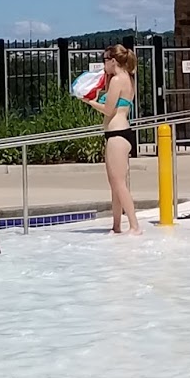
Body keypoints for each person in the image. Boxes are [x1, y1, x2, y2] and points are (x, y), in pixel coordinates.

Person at [82, 44, 141, 235]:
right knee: (115, 183)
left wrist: (89, 102)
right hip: (118, 132)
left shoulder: (117, 80)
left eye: (105, 60)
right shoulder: (127, 78)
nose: (103, 65)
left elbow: (108, 110)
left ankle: (134, 226)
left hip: (117, 133)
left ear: (113, 61)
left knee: (119, 183)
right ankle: (116, 225)